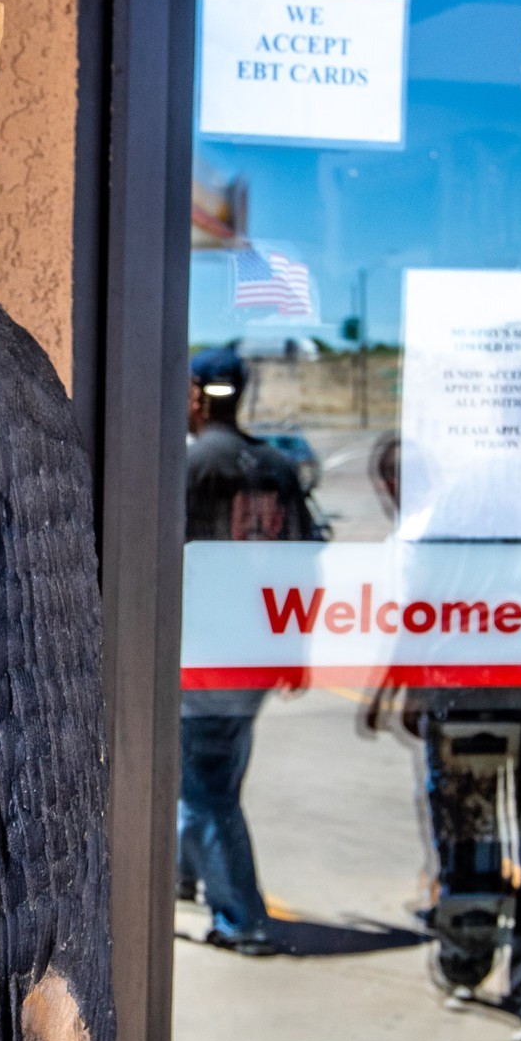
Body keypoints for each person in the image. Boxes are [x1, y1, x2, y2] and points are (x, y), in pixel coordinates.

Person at [368, 434, 521, 1041]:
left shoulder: (455, 502)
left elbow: (421, 605)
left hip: (466, 693)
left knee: (469, 842)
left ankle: (464, 964)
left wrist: (409, 685)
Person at [178, 343, 319, 952]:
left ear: (197, 395)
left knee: (203, 794)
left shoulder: (193, 466)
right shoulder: (276, 467)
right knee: (213, 780)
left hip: (204, 657)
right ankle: (187, 879)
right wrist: (297, 649)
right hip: (255, 655)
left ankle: (241, 918)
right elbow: (306, 563)